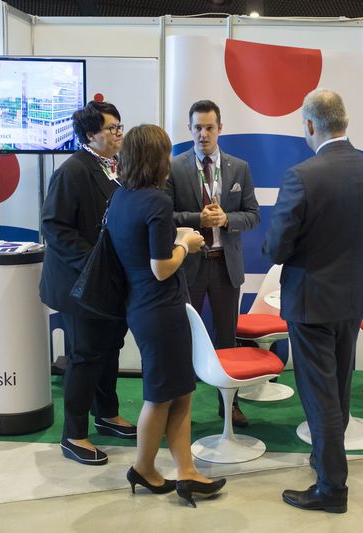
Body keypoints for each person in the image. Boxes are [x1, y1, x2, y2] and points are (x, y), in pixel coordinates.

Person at [263, 89, 363, 513]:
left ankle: (332, 488)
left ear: (309, 124)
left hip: (311, 300)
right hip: (352, 298)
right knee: (338, 388)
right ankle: (325, 462)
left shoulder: (302, 176)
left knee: (319, 396)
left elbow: (276, 248)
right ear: (345, 121)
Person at [107, 124, 226, 507]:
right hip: (162, 307)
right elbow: (161, 267)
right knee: (163, 396)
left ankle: (185, 471)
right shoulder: (156, 202)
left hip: (140, 306)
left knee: (177, 392)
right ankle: (144, 467)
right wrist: (186, 244)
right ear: (157, 159)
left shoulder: (121, 197)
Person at [40, 100, 137, 466]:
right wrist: (93, 262)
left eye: (119, 126)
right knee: (84, 356)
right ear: (90, 134)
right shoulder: (73, 170)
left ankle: (106, 413)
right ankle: (74, 434)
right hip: (80, 284)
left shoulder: (117, 166)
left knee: (109, 348)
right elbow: (55, 227)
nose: (118, 133)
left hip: (109, 281)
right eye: (112, 128)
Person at [166, 100, 260, 428]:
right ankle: (180, 410)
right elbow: (165, 215)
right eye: (198, 128)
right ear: (189, 129)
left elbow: (253, 215)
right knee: (184, 338)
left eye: (209, 127)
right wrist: (198, 218)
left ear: (221, 128)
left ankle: (229, 406)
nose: (203, 134)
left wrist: (227, 219)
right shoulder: (175, 167)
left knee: (226, 338)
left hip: (224, 265)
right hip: (188, 264)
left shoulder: (239, 168)